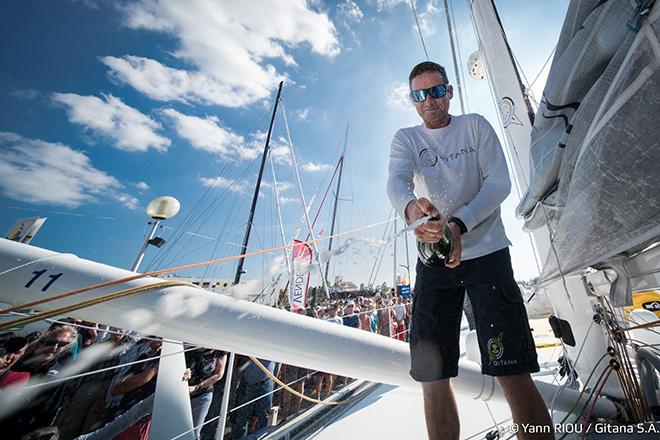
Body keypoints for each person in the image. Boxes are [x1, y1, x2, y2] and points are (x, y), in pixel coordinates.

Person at [387, 61, 552, 440]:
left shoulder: (475, 126)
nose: (428, 100)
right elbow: (396, 181)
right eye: (419, 94)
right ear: (412, 101)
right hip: (434, 264)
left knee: (511, 369)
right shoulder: (406, 139)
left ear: (449, 91)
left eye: (435, 90)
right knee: (433, 375)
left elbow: (499, 183)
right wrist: (412, 209)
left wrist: (457, 224)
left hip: (489, 257)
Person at [185, 348, 227, 439]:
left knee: (194, 432)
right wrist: (185, 371)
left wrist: (197, 387)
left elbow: (218, 375)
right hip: (183, 391)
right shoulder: (191, 346)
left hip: (203, 394)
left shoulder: (220, 351)